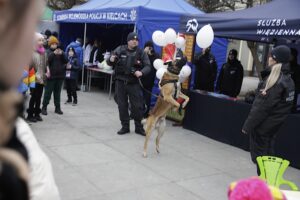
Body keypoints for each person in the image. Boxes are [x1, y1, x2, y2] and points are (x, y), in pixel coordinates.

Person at [0, 0, 60, 199]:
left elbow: (40, 67)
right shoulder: (16, 143)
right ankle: (34, 112)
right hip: (30, 83)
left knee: (36, 99)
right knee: (34, 101)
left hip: (38, 80)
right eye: (31, 23)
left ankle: (35, 113)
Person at [242, 45, 295, 174]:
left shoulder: (275, 80)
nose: (268, 58)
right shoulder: (288, 80)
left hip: (263, 128)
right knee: (267, 156)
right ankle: (267, 184)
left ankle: (264, 187)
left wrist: (247, 126)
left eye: (271, 56)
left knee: (261, 159)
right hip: (272, 127)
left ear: (276, 60)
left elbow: (261, 108)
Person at [107, 32, 151, 136]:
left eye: (136, 40)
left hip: (133, 83)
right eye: (132, 39)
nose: (135, 41)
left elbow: (148, 66)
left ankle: (138, 127)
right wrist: (110, 59)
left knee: (137, 106)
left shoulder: (141, 53)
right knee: (122, 105)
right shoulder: (120, 49)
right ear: (128, 41)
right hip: (120, 82)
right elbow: (109, 61)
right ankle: (125, 126)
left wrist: (141, 72)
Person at [41, 36, 67, 115]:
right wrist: (53, 54)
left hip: (60, 76)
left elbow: (66, 60)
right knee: (47, 93)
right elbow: (46, 61)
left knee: (57, 93)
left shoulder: (60, 51)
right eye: (53, 44)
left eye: (56, 43)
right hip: (50, 77)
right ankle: (44, 107)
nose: (55, 45)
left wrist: (62, 54)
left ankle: (57, 108)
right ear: (50, 44)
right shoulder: (47, 52)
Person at [27, 33, 47, 122]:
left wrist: (47, 71)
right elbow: (29, 67)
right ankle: (30, 115)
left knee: (39, 97)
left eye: (42, 40)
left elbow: (45, 64)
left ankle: (37, 113)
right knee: (33, 97)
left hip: (42, 78)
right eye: (39, 40)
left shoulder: (43, 52)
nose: (41, 42)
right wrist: (34, 76)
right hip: (34, 79)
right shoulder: (31, 52)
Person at [141, 41, 159, 118]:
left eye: (150, 47)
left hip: (149, 81)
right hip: (140, 79)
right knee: (137, 98)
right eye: (147, 47)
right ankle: (135, 113)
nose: (149, 49)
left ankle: (146, 114)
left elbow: (156, 65)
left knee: (147, 98)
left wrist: (151, 54)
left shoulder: (156, 55)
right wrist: (144, 53)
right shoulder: (141, 53)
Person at [290, 48, 300, 112]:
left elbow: (298, 83)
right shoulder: (284, 66)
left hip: (292, 93)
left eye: (290, 55)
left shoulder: (298, 68)